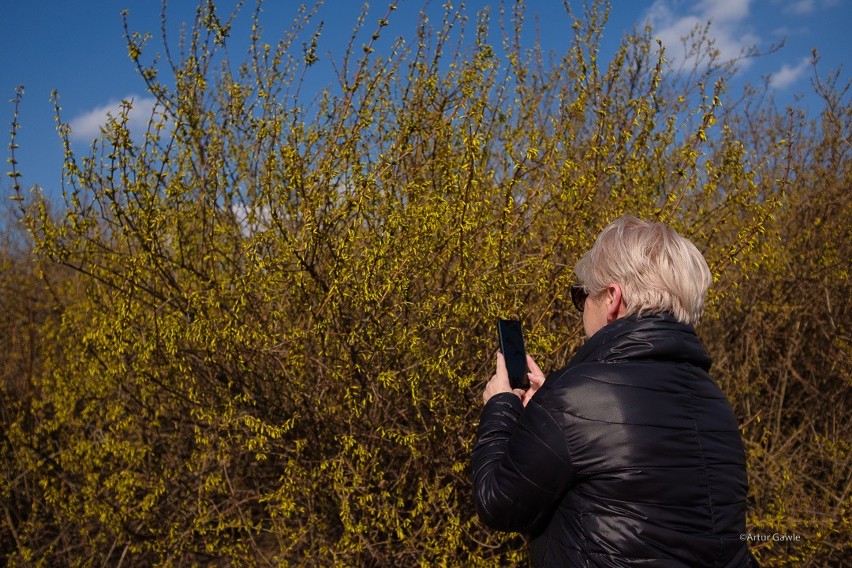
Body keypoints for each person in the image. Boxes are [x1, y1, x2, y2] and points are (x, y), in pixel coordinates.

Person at [471, 216, 757, 567]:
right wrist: (553, 414)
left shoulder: (575, 400)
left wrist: (501, 406)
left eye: (581, 295)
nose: (581, 309)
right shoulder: (715, 400)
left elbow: (497, 503)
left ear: (611, 298)